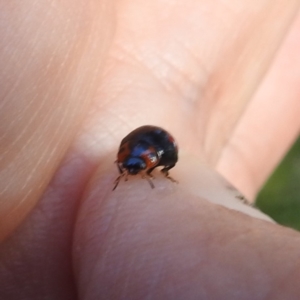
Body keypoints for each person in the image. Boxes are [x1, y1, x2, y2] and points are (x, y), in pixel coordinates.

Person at [0, 1, 300, 299]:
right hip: (152, 140)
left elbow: (164, 156)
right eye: (129, 167)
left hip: (159, 143)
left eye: (132, 168)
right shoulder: (131, 154)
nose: (129, 171)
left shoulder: (150, 156)